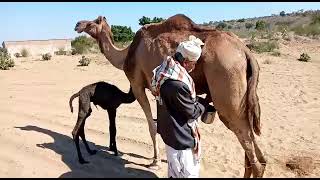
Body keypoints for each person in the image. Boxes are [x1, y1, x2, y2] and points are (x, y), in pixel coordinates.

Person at [150, 35, 214, 178]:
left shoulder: (163, 70)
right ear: (185, 62)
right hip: (180, 138)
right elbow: (192, 112)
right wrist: (204, 102)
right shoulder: (178, 84)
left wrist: (193, 99)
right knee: (187, 173)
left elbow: (178, 101)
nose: (194, 66)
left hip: (169, 132)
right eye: (193, 63)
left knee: (173, 170)